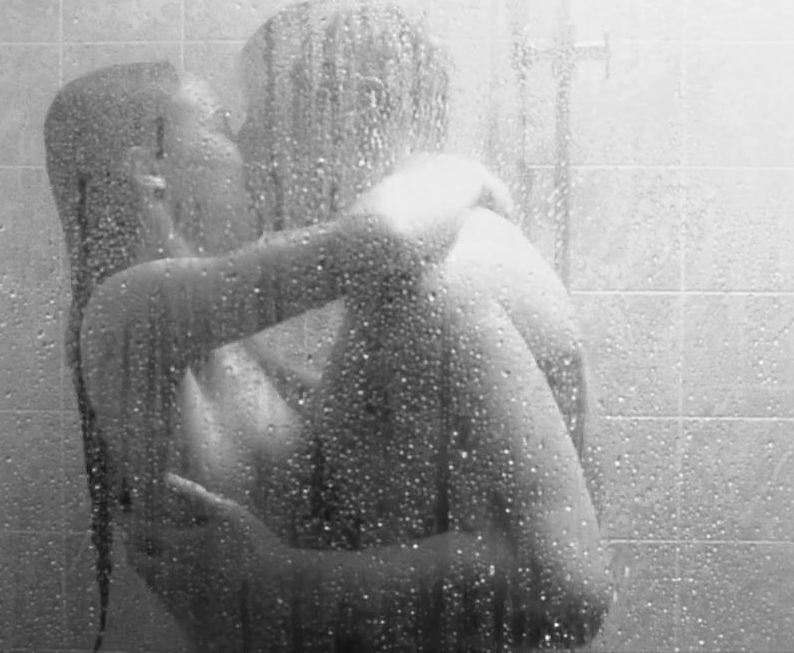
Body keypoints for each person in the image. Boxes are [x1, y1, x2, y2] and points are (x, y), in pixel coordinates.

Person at [90, 0, 609, 650]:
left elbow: (564, 588)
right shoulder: (406, 271)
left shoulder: (429, 276)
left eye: (261, 114)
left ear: (361, 103)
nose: (247, 144)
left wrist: (280, 580)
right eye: (231, 126)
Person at [44, 60, 517, 650]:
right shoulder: (127, 308)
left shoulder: (213, 331)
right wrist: (457, 173)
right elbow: (382, 239)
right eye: (220, 125)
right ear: (150, 172)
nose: (244, 146)